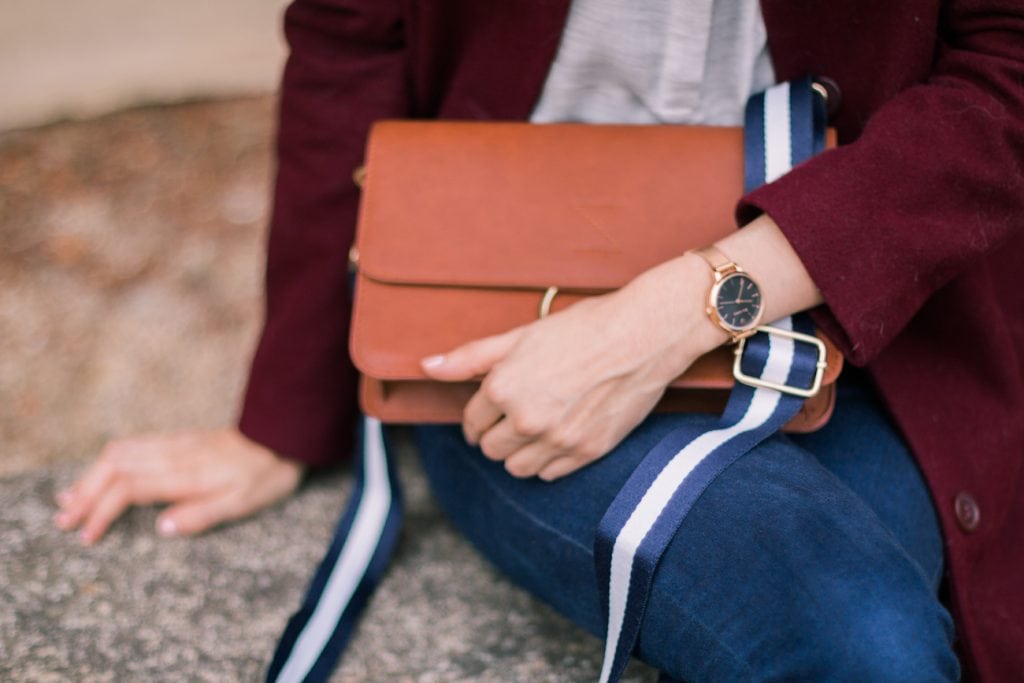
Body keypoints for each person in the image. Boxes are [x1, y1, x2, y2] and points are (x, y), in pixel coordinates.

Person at [53, 1, 1024, 680]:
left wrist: (669, 316)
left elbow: (1004, 68)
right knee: (857, 631)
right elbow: (349, 45)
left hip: (857, 310)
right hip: (505, 323)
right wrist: (282, 418)